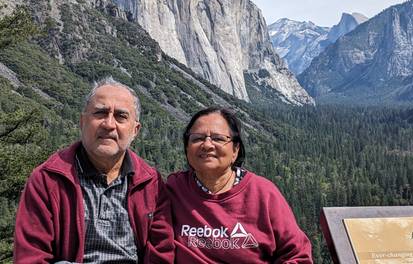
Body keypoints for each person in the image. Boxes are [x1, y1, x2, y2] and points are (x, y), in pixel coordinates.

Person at [14, 77, 174, 264]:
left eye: (121, 116)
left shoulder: (151, 184)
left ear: (135, 130)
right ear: (82, 121)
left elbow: (161, 255)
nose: (109, 124)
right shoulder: (47, 179)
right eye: (100, 113)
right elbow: (31, 257)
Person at [167, 107, 313, 263]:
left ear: (235, 150)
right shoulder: (174, 189)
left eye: (218, 138)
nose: (207, 145)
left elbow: (298, 255)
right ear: (187, 148)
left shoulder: (263, 193)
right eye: (197, 138)